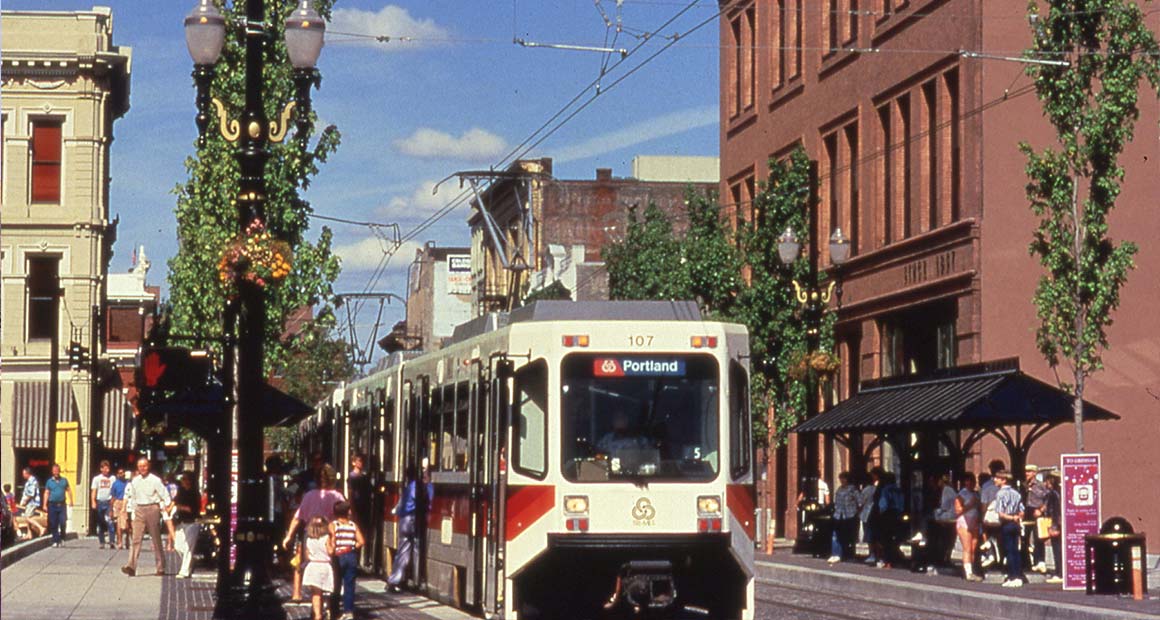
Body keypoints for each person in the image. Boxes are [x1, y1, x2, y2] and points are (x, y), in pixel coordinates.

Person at [282, 464, 345, 604]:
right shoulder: (337, 496)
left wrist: (289, 535)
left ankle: (316, 605)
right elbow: (346, 516)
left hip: (311, 536)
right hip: (330, 535)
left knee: (312, 567)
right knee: (332, 568)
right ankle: (331, 604)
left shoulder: (309, 496)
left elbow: (298, 517)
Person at [122, 457, 172, 577]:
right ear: (137, 468)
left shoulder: (155, 480)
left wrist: (166, 506)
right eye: (140, 466)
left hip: (152, 508)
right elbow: (132, 497)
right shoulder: (135, 481)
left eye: (144, 466)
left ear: (148, 466)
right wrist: (132, 512)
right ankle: (131, 566)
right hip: (139, 508)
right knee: (136, 539)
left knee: (155, 539)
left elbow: (164, 494)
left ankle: (160, 567)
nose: (142, 468)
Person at [387, 465, 433, 592]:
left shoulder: (409, 487)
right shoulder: (422, 487)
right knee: (418, 550)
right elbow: (426, 502)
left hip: (404, 520)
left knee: (403, 550)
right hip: (415, 520)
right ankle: (418, 580)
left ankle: (394, 580)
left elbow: (401, 504)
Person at [330, 500, 365, 620]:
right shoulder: (353, 525)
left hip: (338, 556)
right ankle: (348, 611)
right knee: (349, 585)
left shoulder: (334, 525)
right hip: (351, 556)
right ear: (347, 512)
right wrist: (351, 546)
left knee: (335, 584)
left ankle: (334, 611)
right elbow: (361, 541)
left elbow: (332, 540)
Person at [992, 470, 1026, 587]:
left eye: (997, 478)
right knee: (1016, 550)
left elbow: (1000, 513)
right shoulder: (1016, 493)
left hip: (1006, 524)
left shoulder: (1000, 494)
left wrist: (1011, 518)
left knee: (1009, 551)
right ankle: (1018, 575)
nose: (995, 480)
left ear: (1004, 480)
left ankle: (1012, 576)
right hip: (1016, 524)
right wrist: (1016, 517)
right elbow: (1022, 510)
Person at [301, 516, 334, 620]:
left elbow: (307, 555)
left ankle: (317, 614)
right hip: (324, 566)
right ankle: (325, 611)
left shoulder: (309, 540)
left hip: (313, 566)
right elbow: (330, 551)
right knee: (326, 592)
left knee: (316, 594)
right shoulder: (326, 538)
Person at [171, 472, 202, 579]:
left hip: (192, 522)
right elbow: (174, 501)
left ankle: (184, 571)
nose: (183, 482)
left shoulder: (195, 493)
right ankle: (190, 562)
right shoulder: (181, 491)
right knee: (178, 546)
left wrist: (181, 508)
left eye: (185, 479)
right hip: (181, 522)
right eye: (182, 479)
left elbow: (193, 509)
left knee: (189, 547)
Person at [954, 472, 982, 582]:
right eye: (968, 481)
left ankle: (971, 569)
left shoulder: (976, 494)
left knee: (973, 548)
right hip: (964, 522)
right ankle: (968, 572)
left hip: (974, 521)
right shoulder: (961, 494)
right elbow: (958, 511)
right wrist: (970, 504)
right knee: (967, 548)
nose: (971, 483)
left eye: (973, 481)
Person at [347, 453, 373, 567]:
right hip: (356, 508)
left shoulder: (364, 477)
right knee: (356, 534)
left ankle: (358, 560)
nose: (360, 463)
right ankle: (354, 560)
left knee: (363, 533)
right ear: (353, 463)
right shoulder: (352, 477)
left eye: (362, 461)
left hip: (365, 508)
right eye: (358, 461)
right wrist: (352, 510)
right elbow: (351, 493)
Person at [1022, 465, 1049, 573]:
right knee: (1025, 537)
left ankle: (1040, 561)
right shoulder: (1024, 485)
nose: (1026, 474)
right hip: (1026, 511)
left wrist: (1041, 510)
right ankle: (1027, 562)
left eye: (1029, 472)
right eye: (1026, 471)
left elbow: (1047, 499)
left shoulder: (1040, 485)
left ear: (1034, 473)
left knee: (1038, 538)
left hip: (1037, 511)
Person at [828, 472, 859, 563]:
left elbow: (860, 500)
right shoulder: (839, 490)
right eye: (840, 478)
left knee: (849, 536)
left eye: (844, 478)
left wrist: (856, 512)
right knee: (836, 535)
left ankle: (848, 555)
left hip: (849, 515)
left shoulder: (852, 489)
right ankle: (836, 554)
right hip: (838, 515)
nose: (842, 480)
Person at [42, 463, 73, 548]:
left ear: (59, 471)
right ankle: (55, 540)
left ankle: (62, 537)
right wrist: (44, 504)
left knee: (63, 522)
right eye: (54, 471)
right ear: (52, 471)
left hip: (62, 504)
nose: (56, 472)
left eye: (57, 470)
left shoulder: (64, 480)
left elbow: (69, 490)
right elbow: (46, 493)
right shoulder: (49, 482)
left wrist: (71, 501)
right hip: (52, 505)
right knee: (53, 523)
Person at [1042, 472, 1063, 584]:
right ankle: (1061, 571)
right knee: (1060, 548)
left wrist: (1053, 526)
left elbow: (1054, 511)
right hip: (1061, 524)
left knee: (1057, 548)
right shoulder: (1061, 492)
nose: (1045, 484)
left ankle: (1059, 572)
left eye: (1047, 481)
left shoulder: (1052, 494)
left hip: (1056, 524)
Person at [90, 460, 116, 549]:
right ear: (101, 469)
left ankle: (112, 541)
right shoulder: (96, 479)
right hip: (100, 502)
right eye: (105, 469)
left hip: (109, 503)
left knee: (110, 521)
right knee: (100, 523)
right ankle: (102, 542)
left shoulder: (113, 478)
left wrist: (113, 502)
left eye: (108, 468)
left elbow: (114, 491)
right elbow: (94, 490)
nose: (107, 470)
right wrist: (93, 501)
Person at [858, 471, 877, 563]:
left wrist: (858, 511)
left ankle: (872, 554)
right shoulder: (876, 489)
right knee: (874, 534)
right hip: (874, 513)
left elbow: (861, 502)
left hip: (866, 514)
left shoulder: (866, 490)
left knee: (869, 535)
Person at [111, 467, 129, 550]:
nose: (122, 474)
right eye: (120, 473)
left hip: (126, 503)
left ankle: (127, 539)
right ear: (117, 474)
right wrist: (111, 508)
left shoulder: (128, 483)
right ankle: (120, 542)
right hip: (118, 503)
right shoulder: (115, 484)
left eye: (123, 472)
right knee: (118, 524)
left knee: (126, 524)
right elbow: (113, 496)